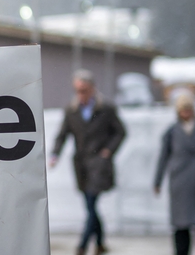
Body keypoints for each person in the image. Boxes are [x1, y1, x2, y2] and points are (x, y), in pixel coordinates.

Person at [50, 69, 127, 255]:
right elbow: (63, 135)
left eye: (84, 90)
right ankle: (100, 243)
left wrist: (108, 150)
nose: (81, 94)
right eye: (78, 90)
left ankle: (82, 245)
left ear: (92, 89)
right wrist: (55, 155)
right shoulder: (72, 110)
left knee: (91, 202)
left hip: (99, 163)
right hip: (81, 164)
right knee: (90, 205)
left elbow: (120, 132)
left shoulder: (106, 108)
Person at [153, 92, 195, 255]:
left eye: (189, 109)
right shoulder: (172, 132)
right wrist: (158, 181)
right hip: (180, 182)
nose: (186, 113)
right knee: (181, 222)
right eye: (183, 110)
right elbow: (163, 157)